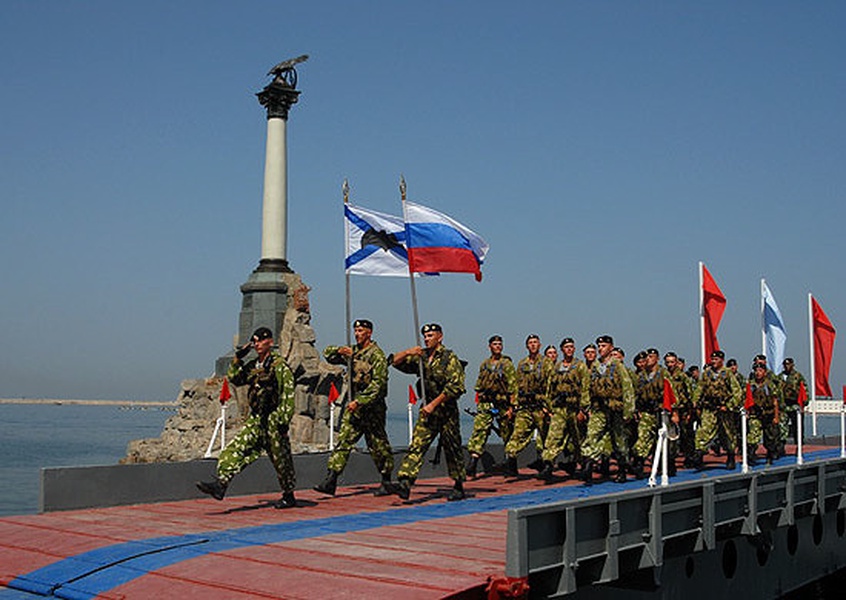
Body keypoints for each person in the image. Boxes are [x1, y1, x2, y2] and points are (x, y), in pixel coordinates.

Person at [196, 327, 297, 509]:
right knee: (235, 449)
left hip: (274, 420)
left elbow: (288, 394)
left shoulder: (279, 366)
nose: (257, 344)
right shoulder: (253, 367)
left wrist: (283, 420)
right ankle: (221, 484)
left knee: (281, 461)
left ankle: (288, 495)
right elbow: (235, 378)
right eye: (255, 341)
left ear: (270, 342)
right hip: (257, 419)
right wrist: (238, 358)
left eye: (261, 341)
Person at [314, 319, 393, 497]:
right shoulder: (353, 352)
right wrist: (339, 350)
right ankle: (331, 479)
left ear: (369, 333)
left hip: (372, 409)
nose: (357, 333)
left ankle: (386, 480)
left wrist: (360, 401)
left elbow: (378, 385)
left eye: (361, 330)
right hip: (354, 409)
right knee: (344, 441)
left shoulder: (376, 356)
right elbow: (328, 354)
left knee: (378, 445)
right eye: (355, 330)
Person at [392, 323, 467, 501]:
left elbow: (456, 387)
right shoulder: (422, 357)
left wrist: (434, 404)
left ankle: (458, 484)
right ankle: (405, 482)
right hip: (427, 411)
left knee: (452, 448)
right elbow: (394, 362)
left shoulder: (449, 358)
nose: (427, 339)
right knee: (417, 445)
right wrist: (408, 352)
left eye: (431, 335)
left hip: (445, 410)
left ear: (440, 337)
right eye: (425, 336)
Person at [580, 335, 635, 484]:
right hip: (599, 408)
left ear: (611, 348)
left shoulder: (618, 366)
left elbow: (627, 387)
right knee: (592, 435)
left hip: (616, 409)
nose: (600, 349)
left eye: (603, 346)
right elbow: (586, 387)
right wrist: (586, 407)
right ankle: (588, 466)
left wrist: (628, 411)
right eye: (599, 346)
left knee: (619, 441)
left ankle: (622, 470)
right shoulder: (595, 367)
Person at [498, 334, 552, 476]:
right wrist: (513, 406)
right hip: (525, 407)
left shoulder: (546, 363)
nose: (533, 345)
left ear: (539, 345)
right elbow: (515, 386)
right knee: (517, 436)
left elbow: (551, 386)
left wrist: (549, 407)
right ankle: (510, 462)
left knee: (546, 438)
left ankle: (547, 466)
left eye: (535, 342)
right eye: (530, 343)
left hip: (541, 407)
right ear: (527, 346)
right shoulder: (522, 364)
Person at [465, 335, 517, 477]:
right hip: (486, 402)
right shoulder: (485, 364)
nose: (498, 346)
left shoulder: (507, 364)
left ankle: (511, 464)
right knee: (480, 430)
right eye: (495, 344)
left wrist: (512, 407)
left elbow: (513, 387)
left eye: (500, 344)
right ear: (490, 346)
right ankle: (473, 463)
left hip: (503, 403)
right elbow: (479, 385)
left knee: (507, 433)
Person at [539, 337, 589, 481]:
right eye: (566, 347)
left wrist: (583, 410)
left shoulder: (580, 366)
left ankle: (584, 466)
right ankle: (548, 466)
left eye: (571, 347)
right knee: (553, 438)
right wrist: (548, 407)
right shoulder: (556, 367)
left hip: (574, 409)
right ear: (562, 350)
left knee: (578, 439)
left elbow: (585, 388)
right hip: (559, 409)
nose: (569, 349)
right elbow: (550, 388)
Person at [692, 350, 742, 470]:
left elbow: (737, 392)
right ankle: (699, 455)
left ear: (722, 360)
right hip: (710, 408)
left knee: (728, 434)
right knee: (703, 432)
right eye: (712, 359)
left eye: (716, 359)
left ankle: (730, 456)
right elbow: (700, 388)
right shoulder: (706, 374)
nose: (713, 361)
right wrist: (695, 400)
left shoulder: (728, 374)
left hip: (724, 409)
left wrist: (729, 406)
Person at [631, 348, 675, 479]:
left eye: (651, 356)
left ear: (657, 358)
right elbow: (636, 394)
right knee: (643, 437)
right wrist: (636, 410)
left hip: (662, 412)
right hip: (647, 412)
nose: (648, 359)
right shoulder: (641, 376)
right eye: (646, 357)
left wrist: (674, 412)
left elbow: (672, 394)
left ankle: (669, 464)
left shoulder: (663, 374)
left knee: (664, 440)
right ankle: (639, 465)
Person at [747, 362, 781, 465]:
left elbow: (775, 401)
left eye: (760, 371)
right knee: (752, 436)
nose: (758, 373)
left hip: (768, 414)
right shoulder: (751, 385)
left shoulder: (769, 385)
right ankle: (751, 455)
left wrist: (776, 417)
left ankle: (770, 455)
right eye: (756, 371)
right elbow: (746, 400)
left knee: (769, 438)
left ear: (765, 372)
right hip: (755, 415)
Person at [780, 357, 807, 444]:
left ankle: (799, 443)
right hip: (784, 404)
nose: (786, 366)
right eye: (785, 365)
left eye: (788, 364)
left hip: (795, 404)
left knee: (797, 426)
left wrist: (804, 403)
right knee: (782, 426)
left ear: (792, 365)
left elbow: (804, 389)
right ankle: (781, 445)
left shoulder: (798, 376)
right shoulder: (780, 376)